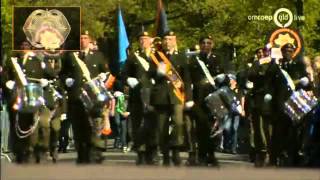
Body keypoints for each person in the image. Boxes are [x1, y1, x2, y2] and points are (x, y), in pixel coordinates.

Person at [61, 31, 110, 164]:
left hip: (93, 99)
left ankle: (96, 153)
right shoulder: (70, 56)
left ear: (90, 40)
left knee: (95, 127)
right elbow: (62, 74)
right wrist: (67, 80)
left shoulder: (98, 56)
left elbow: (107, 72)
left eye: (85, 38)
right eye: (81, 38)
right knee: (79, 129)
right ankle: (82, 155)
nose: (83, 40)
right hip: (77, 98)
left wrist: (104, 77)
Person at [148, 31, 193, 166]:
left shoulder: (181, 57)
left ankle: (176, 150)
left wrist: (189, 97)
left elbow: (187, 78)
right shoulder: (157, 56)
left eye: (170, 39)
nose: (167, 42)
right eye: (165, 39)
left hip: (177, 95)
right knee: (162, 127)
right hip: (161, 95)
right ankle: (166, 153)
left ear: (175, 41)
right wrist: (157, 72)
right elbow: (150, 75)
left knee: (178, 123)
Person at [265, 43, 310, 166]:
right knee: (278, 132)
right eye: (286, 51)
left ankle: (292, 158)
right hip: (279, 103)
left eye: (290, 51)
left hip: (294, 103)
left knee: (293, 132)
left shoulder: (299, 66)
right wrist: (268, 94)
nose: (288, 53)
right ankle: (274, 159)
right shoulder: (277, 65)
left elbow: (307, 82)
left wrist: (305, 81)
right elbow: (269, 81)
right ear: (282, 52)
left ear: (294, 52)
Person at [122, 31, 157, 165]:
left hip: (154, 96)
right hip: (137, 95)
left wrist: (158, 79)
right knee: (137, 125)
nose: (143, 41)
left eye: (146, 39)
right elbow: (123, 74)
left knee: (153, 125)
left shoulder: (157, 56)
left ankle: (153, 152)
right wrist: (128, 79)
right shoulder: (133, 57)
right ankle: (141, 153)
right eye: (141, 39)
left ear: (151, 41)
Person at [188, 35, 224, 166]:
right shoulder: (193, 59)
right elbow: (188, 78)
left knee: (214, 128)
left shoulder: (218, 59)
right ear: (200, 45)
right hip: (199, 98)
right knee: (201, 128)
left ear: (212, 45)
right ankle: (202, 155)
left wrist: (223, 77)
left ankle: (211, 154)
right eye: (203, 43)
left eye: (208, 43)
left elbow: (227, 75)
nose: (206, 45)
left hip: (214, 98)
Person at [247, 47, 273, 167]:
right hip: (258, 99)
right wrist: (260, 66)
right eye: (261, 52)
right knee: (259, 128)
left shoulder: (274, 63)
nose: (263, 54)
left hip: (271, 99)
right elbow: (251, 75)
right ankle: (261, 153)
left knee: (269, 128)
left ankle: (270, 152)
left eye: (265, 52)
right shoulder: (257, 64)